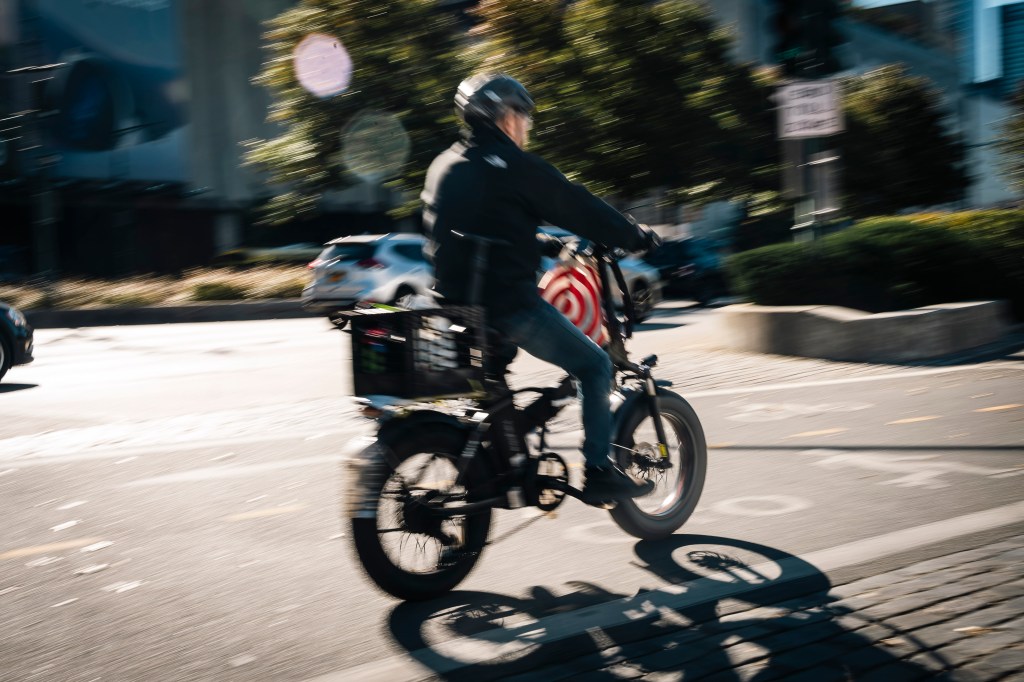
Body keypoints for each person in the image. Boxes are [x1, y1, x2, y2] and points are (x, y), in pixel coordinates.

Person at [421, 72, 661, 505]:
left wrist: (549, 243)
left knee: (497, 389)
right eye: (524, 116)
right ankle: (601, 472)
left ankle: (511, 458)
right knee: (593, 366)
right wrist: (635, 235)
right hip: (507, 306)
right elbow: (577, 204)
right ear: (505, 116)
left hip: (452, 308)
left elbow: (483, 228)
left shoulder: (445, 164)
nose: (526, 126)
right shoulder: (513, 165)